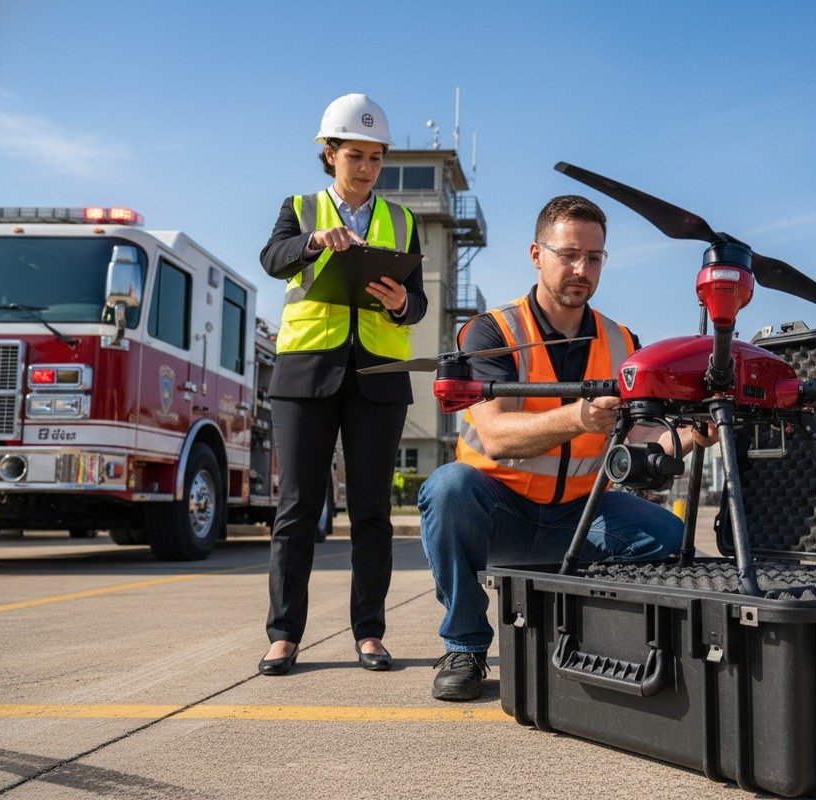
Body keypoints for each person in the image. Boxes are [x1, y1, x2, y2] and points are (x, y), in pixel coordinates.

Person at [418, 195, 715, 701]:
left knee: (669, 536)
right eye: (569, 254)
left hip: (579, 514)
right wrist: (579, 414)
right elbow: (496, 436)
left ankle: (587, 626)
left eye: (595, 258)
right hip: (499, 513)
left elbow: (640, 441)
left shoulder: (624, 341)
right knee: (447, 488)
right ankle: (465, 646)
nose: (582, 269)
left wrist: (688, 437)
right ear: (537, 254)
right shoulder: (491, 333)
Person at [257, 93, 427, 676]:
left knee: (373, 512)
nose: (366, 168)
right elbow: (272, 258)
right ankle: (284, 635)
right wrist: (312, 243)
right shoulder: (300, 208)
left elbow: (420, 300)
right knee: (297, 508)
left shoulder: (402, 221)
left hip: (378, 376)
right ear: (329, 155)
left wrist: (405, 303)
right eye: (355, 155)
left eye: (376, 157)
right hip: (306, 373)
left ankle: (370, 633)